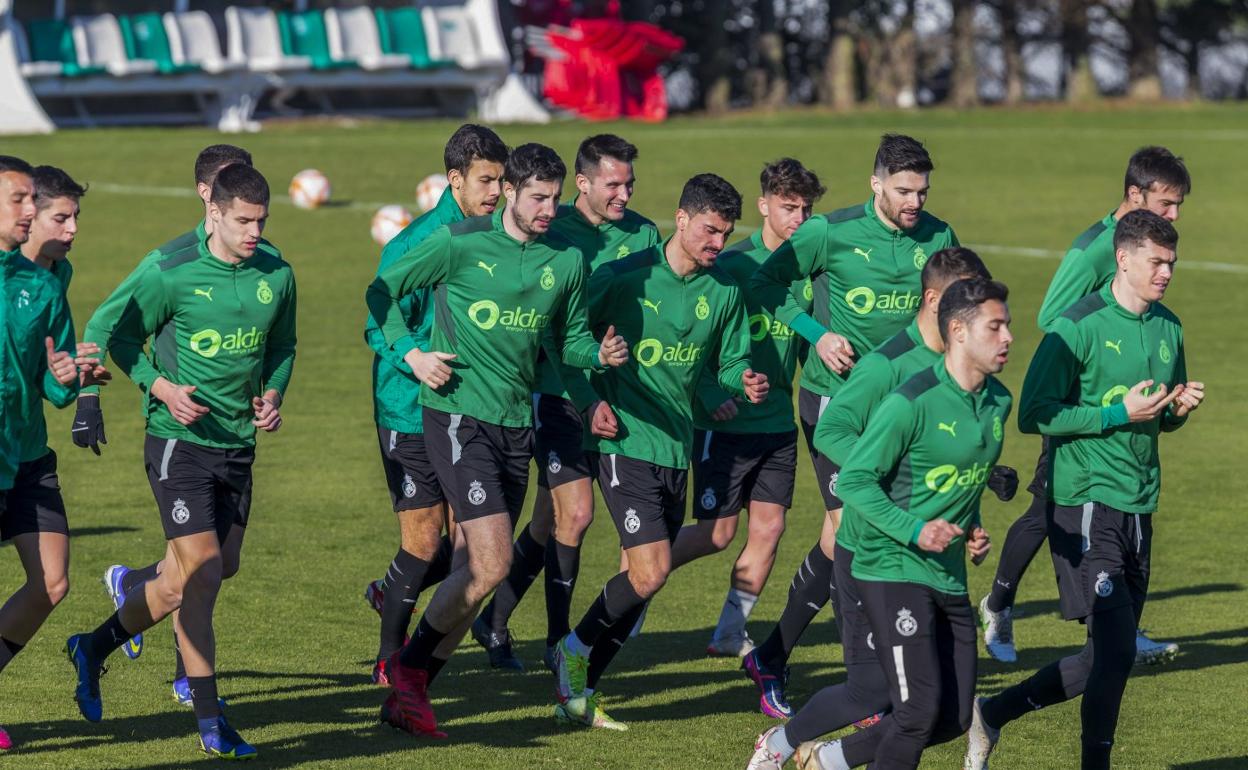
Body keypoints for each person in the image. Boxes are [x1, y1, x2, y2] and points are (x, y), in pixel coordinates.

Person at [366, 143, 628, 738]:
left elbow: (568, 346)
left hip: (517, 426)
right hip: (457, 418)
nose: (548, 208)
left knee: (480, 572)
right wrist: (412, 354)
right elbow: (379, 295)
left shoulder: (565, 263)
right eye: (538, 196)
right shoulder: (460, 242)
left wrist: (601, 356)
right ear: (508, 191)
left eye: (555, 198)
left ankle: (409, 691)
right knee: (491, 561)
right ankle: (407, 674)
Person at [65, 164, 296, 760]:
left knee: (184, 583)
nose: (253, 232)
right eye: (242, 221)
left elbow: (282, 347)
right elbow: (110, 333)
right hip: (176, 443)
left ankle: (92, 646)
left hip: (237, 445)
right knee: (202, 571)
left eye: (261, 221)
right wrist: (158, 387)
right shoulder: (169, 269)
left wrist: (273, 396)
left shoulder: (277, 271)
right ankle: (210, 719)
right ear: (212, 211)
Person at [745, 248, 1000, 766]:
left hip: (932, 563)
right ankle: (780, 747)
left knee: (933, 712)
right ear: (938, 303)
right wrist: (886, 468)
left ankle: (829, 759)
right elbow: (835, 431)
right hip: (871, 553)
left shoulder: (974, 377)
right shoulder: (889, 366)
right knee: (874, 694)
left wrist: (968, 519)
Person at [966, 211, 1202, 770]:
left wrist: (1177, 413)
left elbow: (1158, 420)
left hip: (1141, 503)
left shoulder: (1170, 328)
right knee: (1119, 650)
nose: (1166, 272)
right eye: (1156, 261)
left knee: (1104, 655)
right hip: (1086, 503)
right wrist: (1115, 411)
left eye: (1171, 261)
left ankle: (990, 715)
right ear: (1123, 258)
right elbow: (1035, 412)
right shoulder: (1076, 327)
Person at [744, 134, 959, 717]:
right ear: (876, 183)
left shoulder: (938, 237)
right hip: (834, 406)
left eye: (922, 191)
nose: (914, 201)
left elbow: (959, 315)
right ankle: (867, 678)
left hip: (900, 411)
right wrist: (819, 335)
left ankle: (771, 653)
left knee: (841, 537)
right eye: (904, 190)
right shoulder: (829, 233)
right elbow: (762, 285)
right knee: (857, 530)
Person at [551, 173, 769, 730]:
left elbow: (724, 364)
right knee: (648, 573)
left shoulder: (722, 292)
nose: (717, 244)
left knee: (655, 575)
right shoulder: (624, 278)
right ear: (680, 218)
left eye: (724, 234)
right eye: (708, 231)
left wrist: (737, 382)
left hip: (678, 446)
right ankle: (572, 649)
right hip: (625, 440)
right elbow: (564, 340)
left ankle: (580, 689)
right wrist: (586, 398)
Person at [979, 146, 1191, 665]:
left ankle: (1110, 628)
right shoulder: (1096, 249)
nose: (1175, 216)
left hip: (1120, 408)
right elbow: (1056, 318)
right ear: (1134, 196)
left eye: (1179, 206)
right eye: (1167, 204)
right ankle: (1002, 606)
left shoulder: (1158, 293)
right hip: (1082, 406)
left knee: (1047, 509)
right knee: (1049, 508)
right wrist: (1105, 342)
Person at [471, 133, 660, 672]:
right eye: (612, 184)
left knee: (544, 523)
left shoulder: (644, 232)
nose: (623, 194)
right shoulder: (555, 231)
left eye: (629, 183)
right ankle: (558, 642)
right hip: (555, 393)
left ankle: (494, 620)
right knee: (574, 517)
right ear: (583, 183)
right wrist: (581, 393)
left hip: (616, 398)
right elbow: (552, 331)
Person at [661, 158, 824, 657]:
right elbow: (691, 338)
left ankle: (730, 631)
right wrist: (712, 390)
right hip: (724, 422)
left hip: (777, 420)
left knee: (770, 527)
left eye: (806, 208)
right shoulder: (729, 265)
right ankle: (640, 579)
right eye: (787, 207)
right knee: (716, 534)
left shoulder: (811, 272)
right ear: (763, 206)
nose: (797, 217)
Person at [364, 124, 508, 686]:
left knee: (471, 545)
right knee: (424, 540)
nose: (497, 191)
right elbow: (378, 323)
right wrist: (416, 356)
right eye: (486, 180)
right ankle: (389, 659)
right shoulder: (418, 242)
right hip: (408, 405)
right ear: (454, 180)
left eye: (502, 179)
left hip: (471, 407)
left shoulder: (502, 235)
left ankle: (393, 596)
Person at [0, 156, 96, 752]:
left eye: (33, 201)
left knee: (52, 582)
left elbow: (56, 381)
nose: (30, 211)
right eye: (19, 200)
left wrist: (72, 376)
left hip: (27, 452)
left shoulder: (43, 281)